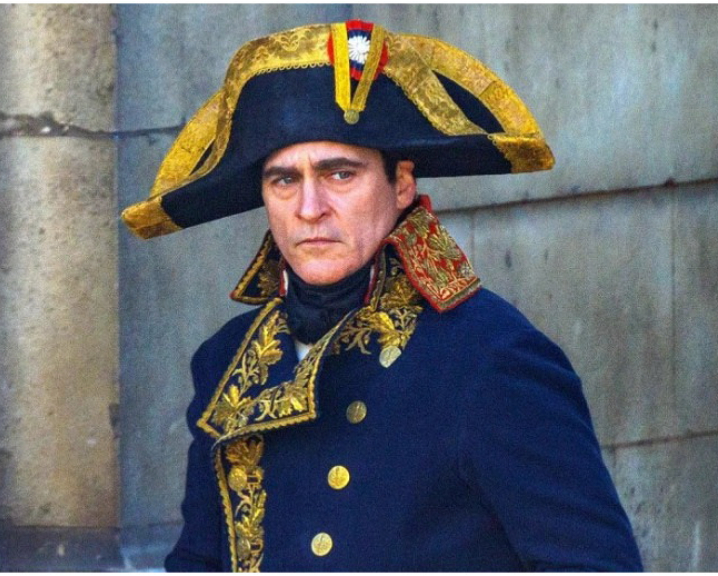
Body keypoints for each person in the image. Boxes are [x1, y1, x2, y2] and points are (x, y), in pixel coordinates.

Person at [122, 20, 643, 572]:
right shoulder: (226, 362)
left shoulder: (489, 358)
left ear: (402, 184)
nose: (309, 209)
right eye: (284, 180)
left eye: (340, 175)